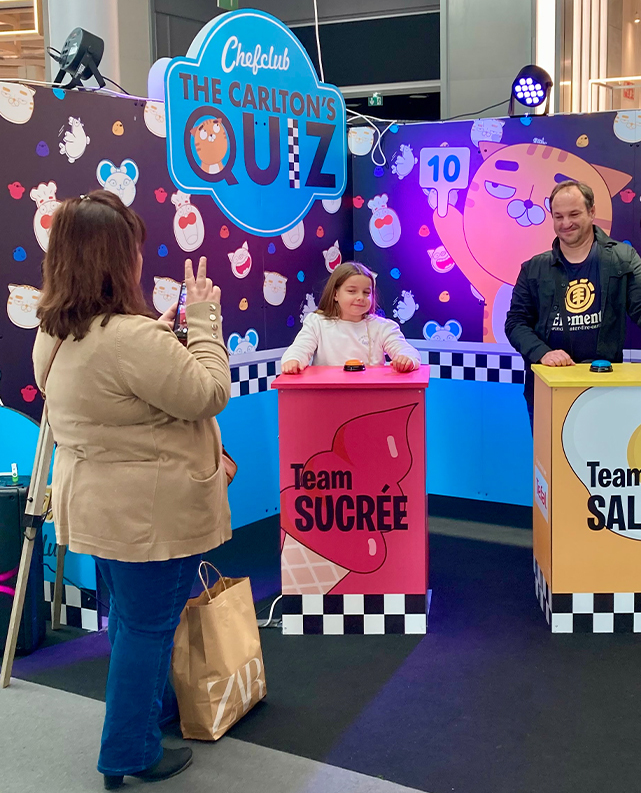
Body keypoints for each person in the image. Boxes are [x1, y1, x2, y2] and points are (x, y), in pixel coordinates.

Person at [32, 190, 232, 787]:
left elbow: (123, 394)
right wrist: (204, 322)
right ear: (117, 259)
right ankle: (129, 751)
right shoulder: (129, 338)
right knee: (148, 627)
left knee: (130, 619)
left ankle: (149, 714)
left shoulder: (54, 332)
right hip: (152, 515)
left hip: (100, 506)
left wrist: (164, 338)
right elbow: (208, 393)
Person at [505, 180, 641, 422]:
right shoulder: (533, 268)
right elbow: (516, 323)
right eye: (558, 216)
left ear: (592, 212)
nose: (565, 223)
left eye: (574, 214)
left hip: (605, 389)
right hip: (547, 391)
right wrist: (543, 353)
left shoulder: (623, 258)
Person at [281, 261, 421, 373]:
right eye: (352, 291)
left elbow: (406, 350)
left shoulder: (382, 327)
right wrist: (293, 360)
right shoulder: (317, 322)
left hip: (370, 394)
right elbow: (300, 348)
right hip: (327, 393)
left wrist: (406, 359)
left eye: (366, 293)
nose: (360, 297)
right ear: (335, 294)